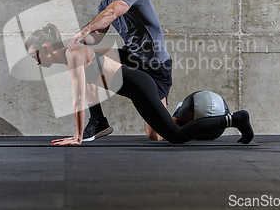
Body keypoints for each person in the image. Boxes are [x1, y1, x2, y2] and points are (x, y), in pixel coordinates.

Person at [25, 24, 254, 146]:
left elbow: (77, 98)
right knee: (171, 135)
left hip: (140, 86)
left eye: (35, 56)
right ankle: (235, 119)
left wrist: (76, 137)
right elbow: (90, 91)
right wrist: (98, 122)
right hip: (137, 89)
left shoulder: (73, 54)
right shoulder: (71, 56)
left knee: (176, 135)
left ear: (45, 47)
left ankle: (236, 119)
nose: (36, 62)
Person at [68, 0, 173, 141]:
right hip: (131, 56)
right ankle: (99, 122)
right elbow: (96, 39)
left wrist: (84, 30)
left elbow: (113, 12)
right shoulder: (104, 3)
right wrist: (69, 44)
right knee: (84, 59)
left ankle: (184, 115)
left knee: (155, 135)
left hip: (155, 65)